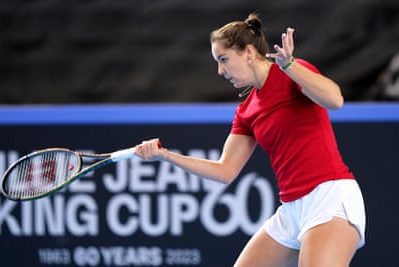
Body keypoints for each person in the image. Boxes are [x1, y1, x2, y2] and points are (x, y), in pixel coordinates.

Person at [135, 13, 366, 267]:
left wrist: (290, 66)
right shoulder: (246, 111)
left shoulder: (291, 71)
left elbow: (335, 100)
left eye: (223, 60)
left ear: (247, 52)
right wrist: (165, 155)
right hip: (291, 211)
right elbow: (225, 171)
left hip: (329, 198)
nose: (220, 71)